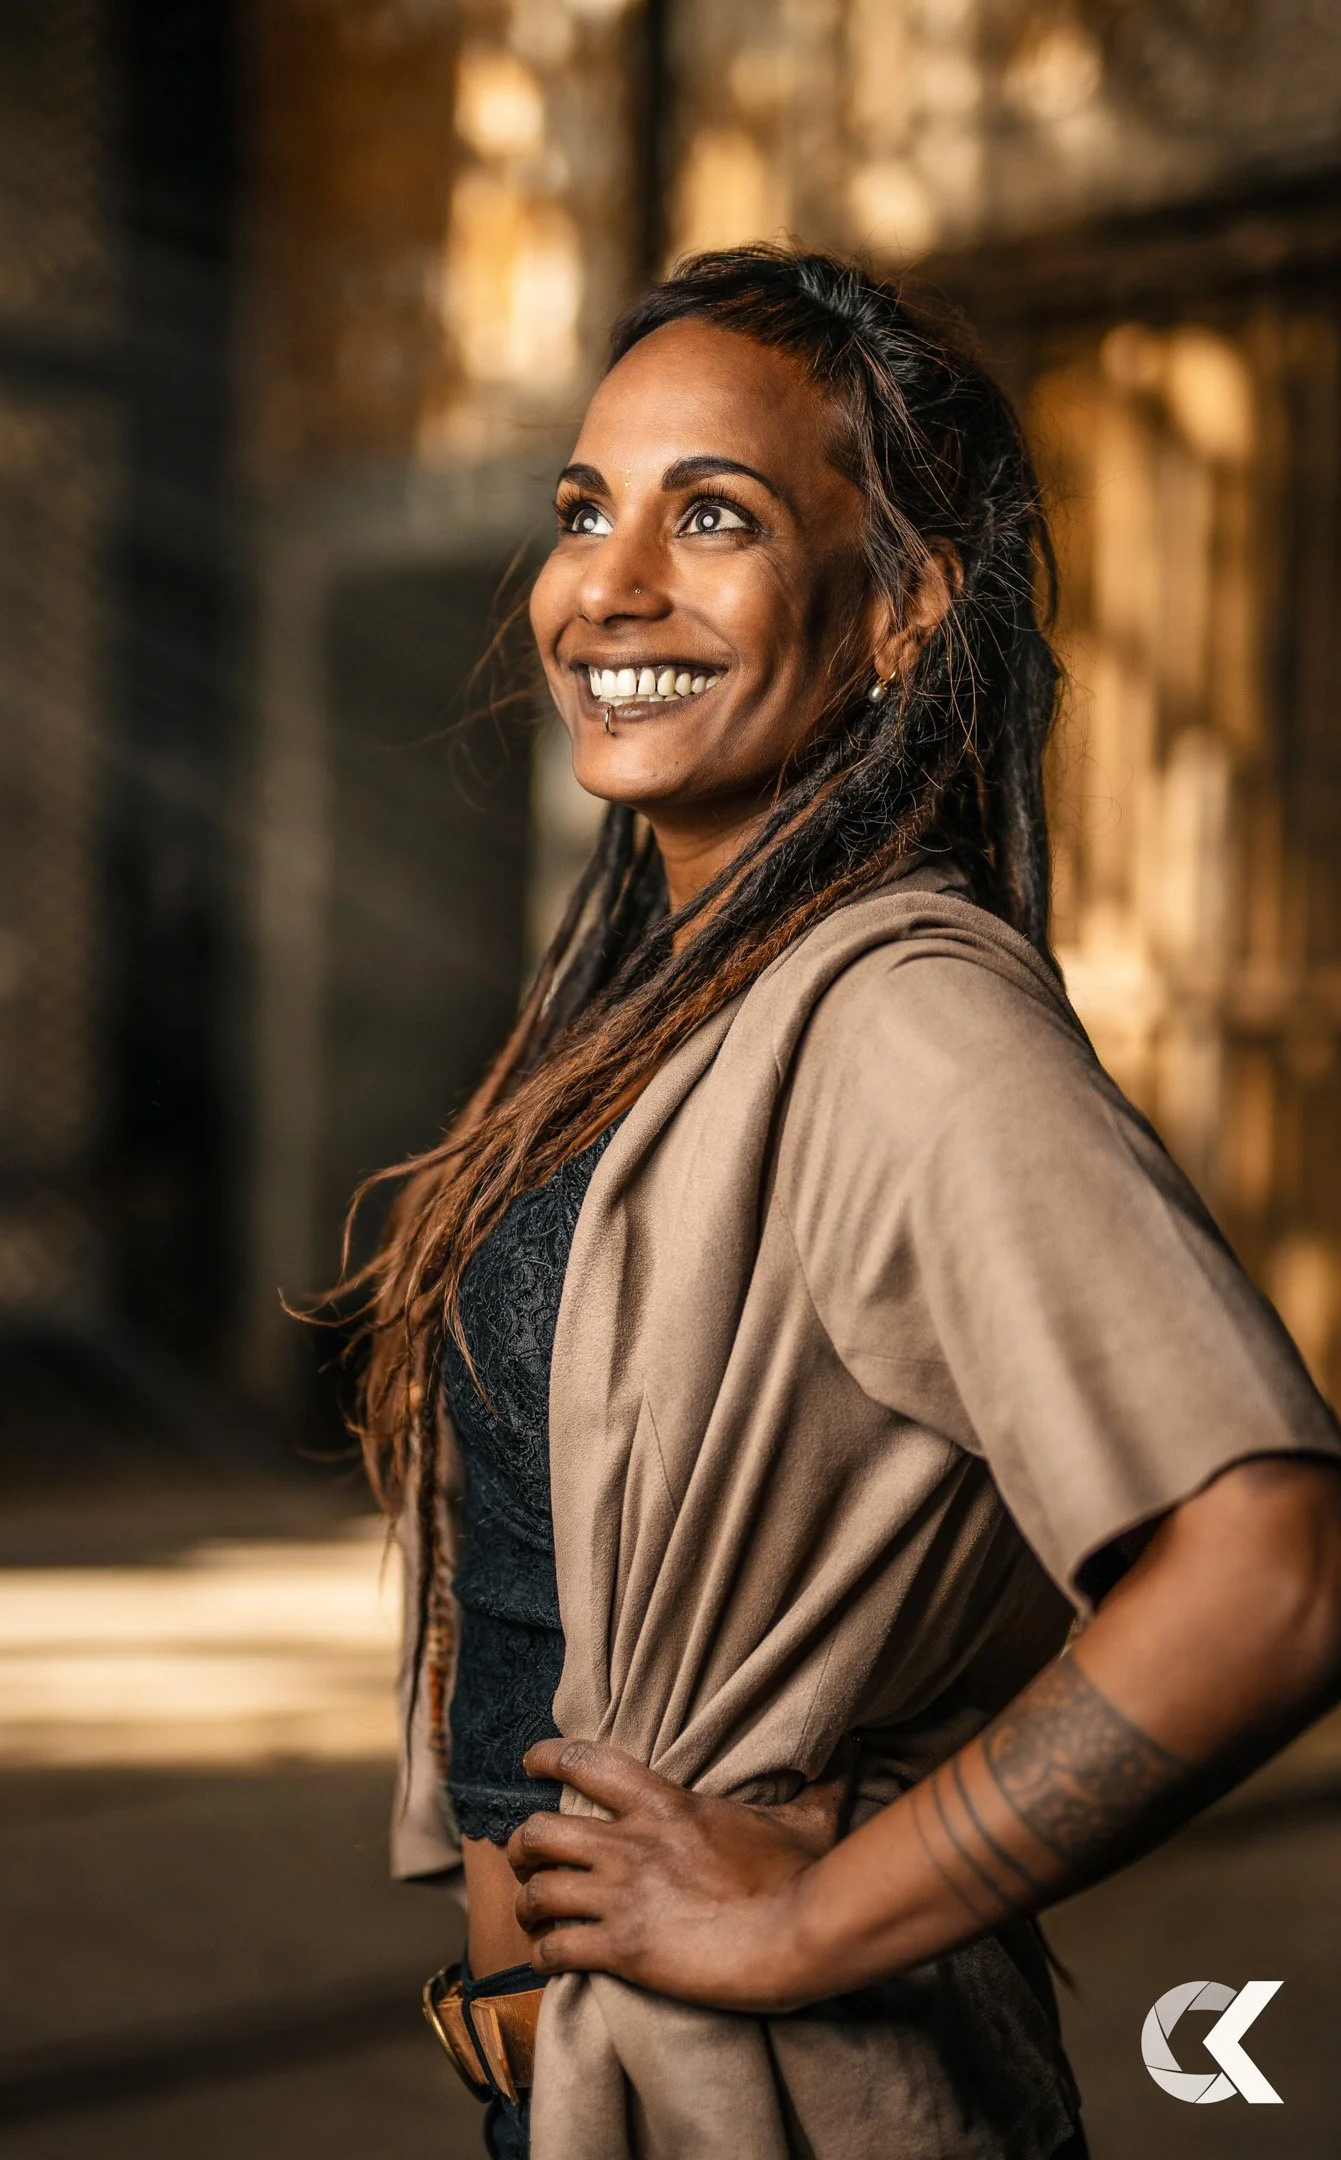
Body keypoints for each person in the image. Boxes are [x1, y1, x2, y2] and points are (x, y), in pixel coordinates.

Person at [336, 247, 1341, 2160]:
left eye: (712, 516)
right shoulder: (659, 1005)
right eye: (582, 511)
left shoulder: (903, 1022)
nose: (606, 586)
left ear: (901, 607)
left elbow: (1272, 1572)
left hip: (778, 2104)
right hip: (581, 2097)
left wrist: (805, 1914)